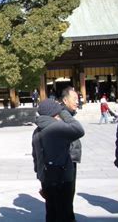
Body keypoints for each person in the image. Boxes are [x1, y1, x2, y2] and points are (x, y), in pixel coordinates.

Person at [32, 99, 85, 222]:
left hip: (46, 177)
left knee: (51, 211)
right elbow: (79, 129)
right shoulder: (57, 127)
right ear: (54, 113)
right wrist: (64, 113)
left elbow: (36, 155)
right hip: (62, 177)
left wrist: (40, 175)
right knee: (64, 212)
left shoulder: (37, 130)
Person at [59, 87, 83, 222]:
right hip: (66, 159)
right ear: (65, 100)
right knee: (67, 192)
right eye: (74, 99)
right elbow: (78, 130)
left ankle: (68, 216)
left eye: (77, 99)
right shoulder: (64, 114)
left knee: (69, 192)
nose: (77, 102)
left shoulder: (67, 113)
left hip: (68, 158)